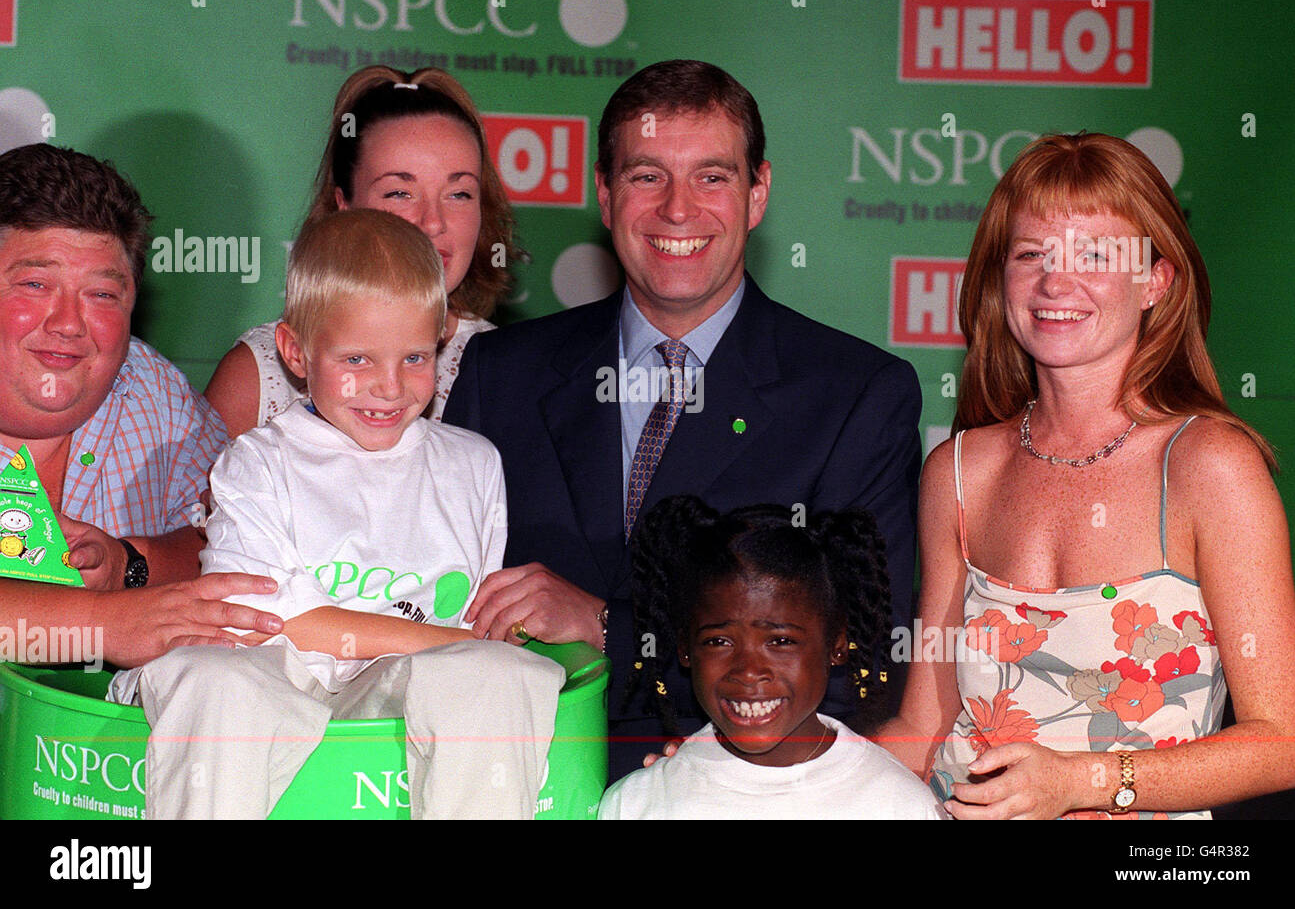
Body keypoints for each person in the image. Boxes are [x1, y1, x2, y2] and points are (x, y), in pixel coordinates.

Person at [444, 60, 923, 778]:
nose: (677, 210)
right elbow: (429, 596)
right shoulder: (499, 372)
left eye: (712, 177)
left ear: (757, 193)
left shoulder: (855, 395)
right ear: (605, 195)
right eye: (646, 176)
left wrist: (608, 626)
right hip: (502, 781)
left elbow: (867, 660)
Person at [876, 132, 1295, 818]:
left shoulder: (1209, 466)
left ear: (1156, 281)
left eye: (1095, 255)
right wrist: (758, 768)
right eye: (1031, 254)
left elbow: (1285, 739)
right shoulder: (957, 470)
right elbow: (923, 734)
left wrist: (1082, 781)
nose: (1054, 282)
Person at [110, 209, 563, 819]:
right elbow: (260, 620)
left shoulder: (473, 465)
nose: (389, 387)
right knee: (212, 679)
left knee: (498, 675)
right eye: (356, 360)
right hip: (271, 677)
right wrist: (444, 640)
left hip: (397, 691)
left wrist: (462, 648)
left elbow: (477, 633)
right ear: (295, 350)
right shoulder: (256, 461)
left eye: (414, 358)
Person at [0, 143, 281, 666]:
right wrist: (101, 624)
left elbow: (227, 541)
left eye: (102, 295)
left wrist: (130, 564)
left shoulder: (151, 390)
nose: (68, 323)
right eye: (35, 285)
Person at [205, 65, 520, 434]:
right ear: (344, 206)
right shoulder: (259, 377)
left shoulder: (511, 373)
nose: (434, 222)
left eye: (459, 193)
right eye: (400, 192)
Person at [598, 495, 942, 819]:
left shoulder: (896, 802)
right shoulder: (638, 803)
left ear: (837, 644)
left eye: (780, 641)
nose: (748, 671)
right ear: (685, 646)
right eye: (719, 640)